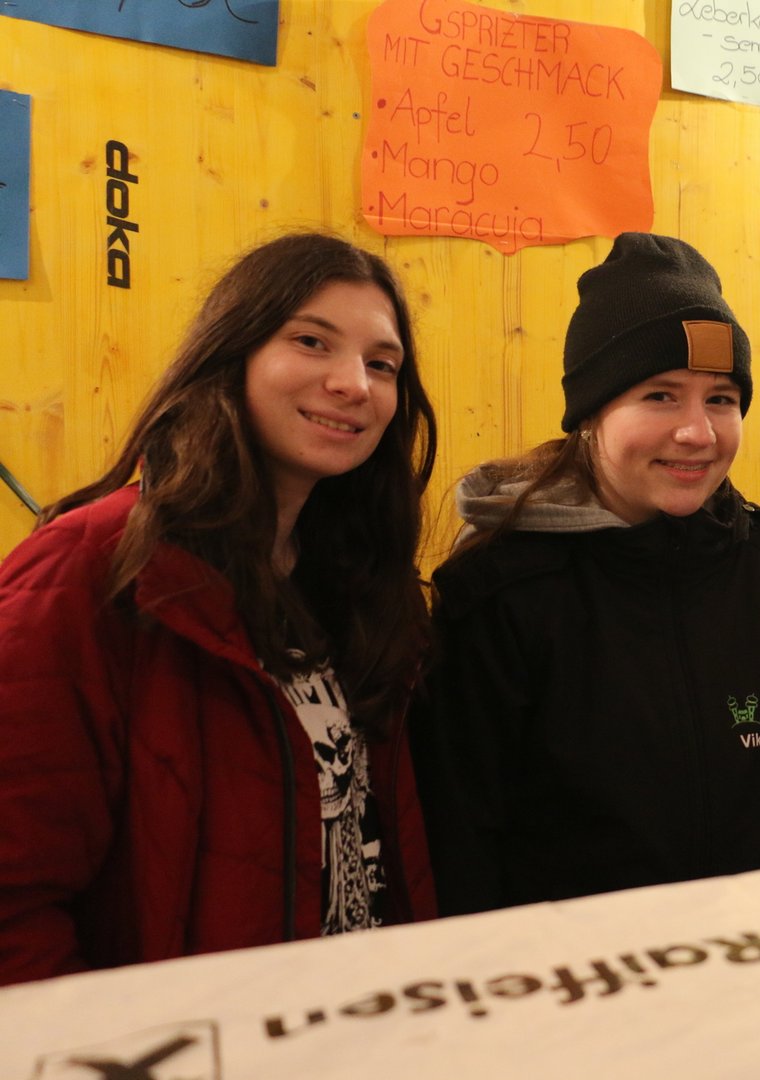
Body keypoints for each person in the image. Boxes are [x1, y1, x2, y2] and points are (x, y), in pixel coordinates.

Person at [0, 232, 439, 987]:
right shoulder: (90, 567)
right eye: (311, 341)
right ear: (232, 353)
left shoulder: (355, 580)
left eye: (382, 364)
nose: (354, 384)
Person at [412, 232, 760, 914]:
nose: (698, 432)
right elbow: (463, 845)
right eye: (661, 395)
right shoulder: (500, 593)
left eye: (721, 398)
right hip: (578, 973)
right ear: (591, 414)